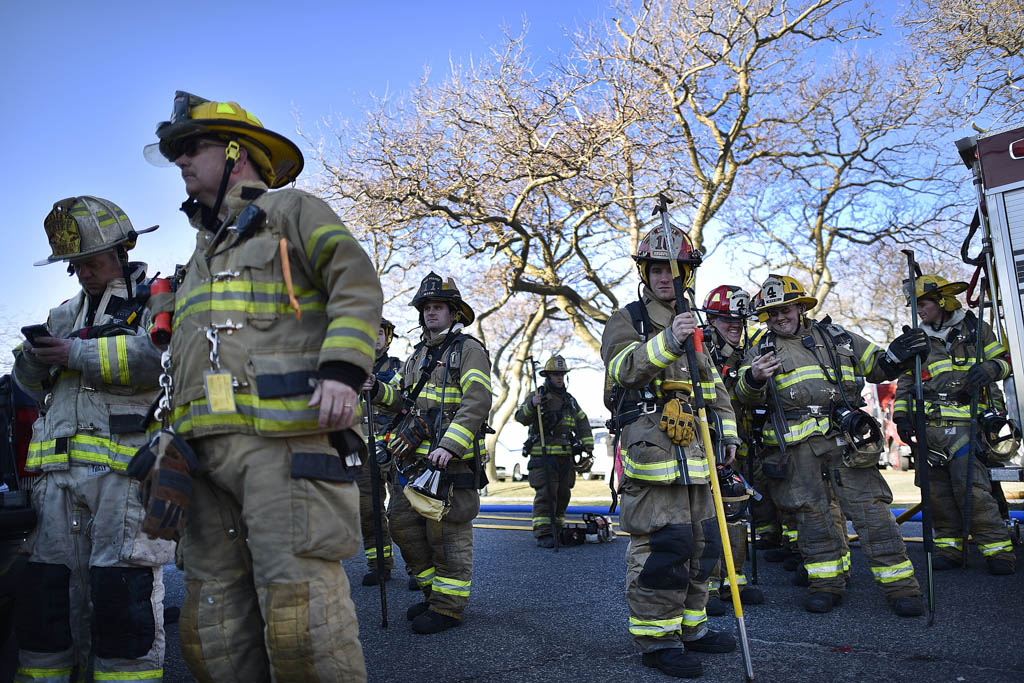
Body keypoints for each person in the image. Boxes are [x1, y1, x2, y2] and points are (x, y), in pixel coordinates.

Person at [145, 91, 381, 681]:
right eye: (174, 153)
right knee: (213, 631)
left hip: (285, 447)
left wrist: (344, 369)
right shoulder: (198, 254)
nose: (180, 163)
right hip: (202, 458)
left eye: (190, 149)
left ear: (235, 152)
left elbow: (355, 282)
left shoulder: (293, 211)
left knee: (303, 623)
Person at [12, 196, 173, 682]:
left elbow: (161, 359)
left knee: (120, 601)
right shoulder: (61, 315)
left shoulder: (159, 301)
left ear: (125, 250)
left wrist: (76, 354)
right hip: (54, 483)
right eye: (75, 265)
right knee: (47, 602)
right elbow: (26, 384)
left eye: (93, 261)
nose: (83, 272)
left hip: (123, 482)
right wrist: (36, 359)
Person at [736, 274, 928, 616]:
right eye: (772, 312)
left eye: (786, 309)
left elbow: (880, 368)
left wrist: (900, 354)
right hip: (796, 451)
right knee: (812, 518)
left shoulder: (837, 337)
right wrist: (753, 379)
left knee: (872, 512)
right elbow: (745, 397)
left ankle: (902, 589)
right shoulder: (759, 350)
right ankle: (826, 584)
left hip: (847, 442)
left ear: (800, 307)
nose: (780, 316)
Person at [601, 224, 739, 679]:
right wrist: (668, 341)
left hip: (697, 456)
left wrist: (730, 435)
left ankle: (691, 628)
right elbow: (623, 370)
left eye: (675, 270)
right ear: (646, 272)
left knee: (704, 545)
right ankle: (657, 641)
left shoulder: (694, 323)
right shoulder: (628, 320)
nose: (666, 278)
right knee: (664, 546)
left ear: (687, 276)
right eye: (658, 269)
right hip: (652, 452)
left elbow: (714, 385)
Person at [369, 272, 492, 634]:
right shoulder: (416, 356)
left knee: (447, 538)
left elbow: (477, 401)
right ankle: (430, 592)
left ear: (454, 312)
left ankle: (447, 608)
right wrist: (375, 388)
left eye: (438, 307)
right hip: (413, 463)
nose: (430, 313)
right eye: (426, 307)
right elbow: (401, 402)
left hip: (451, 465)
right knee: (403, 526)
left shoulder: (468, 350)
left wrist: (449, 445)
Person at [893, 274, 1016, 575]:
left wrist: (990, 367)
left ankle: (998, 551)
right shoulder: (917, 340)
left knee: (971, 491)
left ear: (943, 302)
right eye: (915, 305)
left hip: (969, 428)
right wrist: (902, 416)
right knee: (936, 496)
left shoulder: (976, 330)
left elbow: (1007, 362)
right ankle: (949, 547)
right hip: (930, 429)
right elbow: (906, 383)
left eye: (923, 304)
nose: (918, 310)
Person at [698, 285, 765, 614]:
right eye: (726, 320)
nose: (735, 325)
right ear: (711, 320)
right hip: (704, 444)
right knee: (708, 515)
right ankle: (705, 587)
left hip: (737, 444)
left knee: (737, 511)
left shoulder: (747, 353)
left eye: (739, 320)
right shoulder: (699, 350)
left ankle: (733, 581)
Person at [514, 355, 594, 548]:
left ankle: (557, 530)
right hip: (543, 456)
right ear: (547, 376)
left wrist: (588, 446)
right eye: (555, 374)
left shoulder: (570, 401)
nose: (559, 378)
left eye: (561, 374)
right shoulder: (538, 396)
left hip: (565, 457)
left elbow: (582, 421)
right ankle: (543, 533)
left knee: (563, 494)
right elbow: (520, 417)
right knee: (546, 494)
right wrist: (532, 405)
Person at [357, 319, 402, 586]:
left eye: (381, 333)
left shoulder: (399, 367)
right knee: (368, 511)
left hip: (395, 447)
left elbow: (402, 400)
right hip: (363, 451)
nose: (375, 337)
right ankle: (379, 565)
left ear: (388, 338)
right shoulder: (351, 370)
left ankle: (416, 570)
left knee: (402, 512)